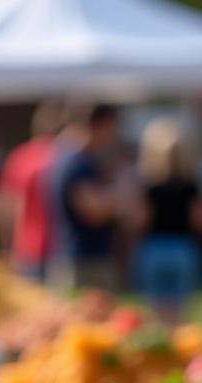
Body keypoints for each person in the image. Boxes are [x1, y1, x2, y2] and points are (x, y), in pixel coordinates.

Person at [132, 118, 202, 324]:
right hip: (183, 247)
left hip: (154, 247)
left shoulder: (149, 185)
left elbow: (140, 220)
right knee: (181, 314)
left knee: (156, 312)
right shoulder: (192, 184)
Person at [49, 104, 123, 290]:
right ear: (99, 125)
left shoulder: (67, 157)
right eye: (111, 127)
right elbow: (93, 211)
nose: (113, 135)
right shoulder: (78, 163)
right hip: (83, 261)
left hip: (76, 256)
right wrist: (119, 196)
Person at [0, 103, 61, 278]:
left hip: (27, 247)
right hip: (60, 250)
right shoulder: (65, 157)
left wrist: (7, 248)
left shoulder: (20, 156)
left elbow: (6, 207)